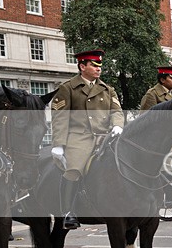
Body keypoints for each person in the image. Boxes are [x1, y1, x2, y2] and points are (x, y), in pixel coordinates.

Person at [50, 50, 124, 229]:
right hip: (80, 136)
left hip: (106, 136)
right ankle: (68, 212)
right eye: (94, 65)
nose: (99, 69)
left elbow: (117, 111)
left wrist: (117, 125)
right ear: (82, 67)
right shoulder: (67, 88)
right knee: (74, 169)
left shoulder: (108, 89)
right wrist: (59, 144)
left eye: (100, 65)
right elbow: (60, 117)